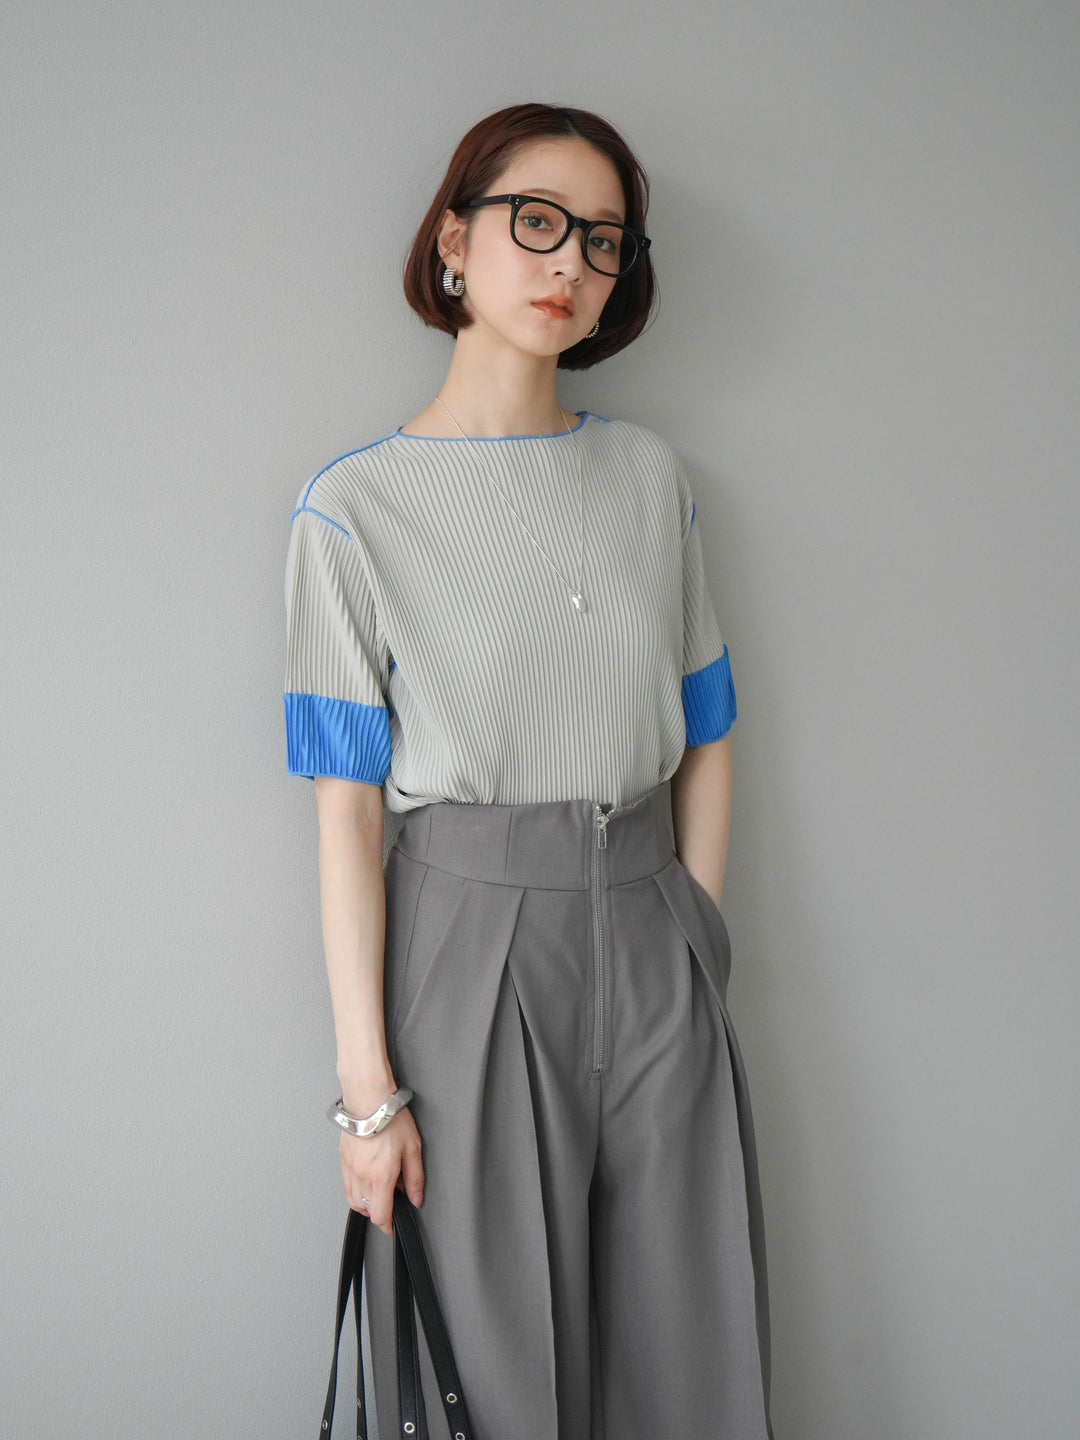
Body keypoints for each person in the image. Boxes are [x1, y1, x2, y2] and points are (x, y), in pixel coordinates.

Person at [283, 102, 774, 1440]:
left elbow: (708, 728)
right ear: (453, 240)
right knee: (495, 1372)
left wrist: (697, 933)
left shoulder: (649, 476)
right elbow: (344, 813)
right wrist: (366, 1095)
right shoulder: (354, 509)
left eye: (604, 241)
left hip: (653, 928)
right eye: (537, 222)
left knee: (691, 1348)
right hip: (470, 942)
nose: (570, 263)